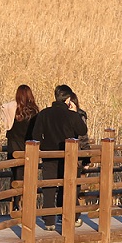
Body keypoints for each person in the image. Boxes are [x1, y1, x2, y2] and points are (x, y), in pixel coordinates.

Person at [31, 84, 88, 216]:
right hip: (68, 155)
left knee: (49, 187)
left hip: (48, 155)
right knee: (67, 186)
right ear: (68, 99)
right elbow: (82, 130)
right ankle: (68, 217)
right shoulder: (71, 115)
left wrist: (45, 146)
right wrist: (75, 114)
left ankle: (49, 219)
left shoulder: (44, 114)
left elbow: (36, 135)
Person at [1, 84, 40, 208]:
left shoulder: (14, 110)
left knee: (15, 176)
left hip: (13, 148)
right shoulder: (34, 111)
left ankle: (16, 203)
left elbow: (7, 125)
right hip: (28, 148)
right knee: (27, 177)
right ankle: (27, 204)